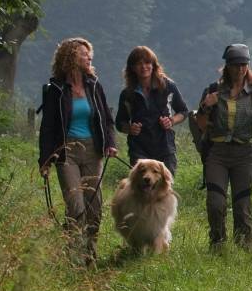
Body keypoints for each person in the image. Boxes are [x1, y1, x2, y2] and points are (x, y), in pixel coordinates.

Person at [37, 37, 118, 266]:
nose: (89, 57)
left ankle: (90, 256)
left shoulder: (94, 85)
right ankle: (73, 258)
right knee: (76, 207)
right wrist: (45, 160)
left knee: (94, 208)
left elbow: (107, 120)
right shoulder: (56, 89)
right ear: (70, 56)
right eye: (83, 53)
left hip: (93, 150)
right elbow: (48, 127)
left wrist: (110, 143)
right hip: (67, 152)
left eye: (89, 53)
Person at [194, 44, 252, 249]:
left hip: (244, 154)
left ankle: (244, 247)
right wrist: (205, 106)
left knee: (242, 204)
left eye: (243, 65)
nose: (240, 69)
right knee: (215, 202)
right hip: (217, 153)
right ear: (227, 66)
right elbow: (201, 125)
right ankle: (217, 243)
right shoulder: (213, 90)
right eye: (235, 65)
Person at [114, 46, 189, 176]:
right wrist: (130, 128)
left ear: (153, 65)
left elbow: (183, 111)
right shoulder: (127, 94)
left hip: (165, 147)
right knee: (141, 191)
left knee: (165, 189)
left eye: (147, 63)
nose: (144, 67)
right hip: (139, 149)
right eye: (139, 63)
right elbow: (120, 123)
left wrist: (171, 121)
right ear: (132, 68)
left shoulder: (168, 86)